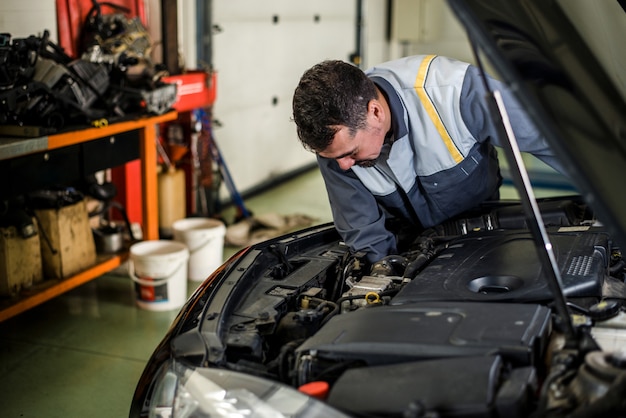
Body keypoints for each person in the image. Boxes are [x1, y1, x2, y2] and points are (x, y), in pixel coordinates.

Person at [292, 54, 562, 264]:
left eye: (351, 153)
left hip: (484, 232)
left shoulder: (455, 92)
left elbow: (555, 142)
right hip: (410, 244)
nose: (343, 165)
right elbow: (363, 229)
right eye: (334, 158)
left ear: (375, 112)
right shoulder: (336, 145)